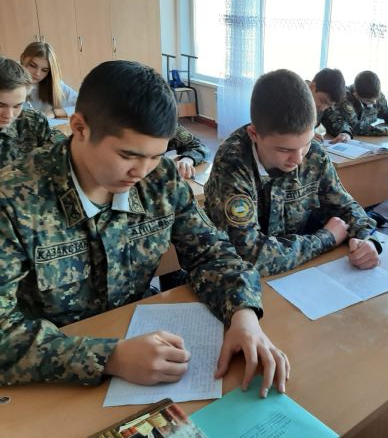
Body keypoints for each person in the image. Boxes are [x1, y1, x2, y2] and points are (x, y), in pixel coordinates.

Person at [0, 60, 289, 398]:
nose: (142, 171)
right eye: (128, 155)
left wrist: (243, 314)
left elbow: (212, 252)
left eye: (155, 156)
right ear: (79, 128)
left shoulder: (161, 180)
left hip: (146, 351)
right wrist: (110, 357)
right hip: (50, 378)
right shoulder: (13, 199)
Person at [204, 69, 382, 277]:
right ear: (254, 134)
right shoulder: (232, 162)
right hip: (236, 279)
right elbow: (249, 255)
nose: (298, 159)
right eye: (284, 149)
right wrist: (325, 238)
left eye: (306, 143)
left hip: (295, 274)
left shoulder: (313, 154)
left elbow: (345, 207)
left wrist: (369, 240)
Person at [0, 57, 65, 165]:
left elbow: (62, 142)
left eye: (17, 106)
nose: (9, 115)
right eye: (1, 105)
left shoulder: (33, 120)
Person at [321, 70, 388, 143]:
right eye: (369, 101)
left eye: (376, 99)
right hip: (345, 139)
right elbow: (357, 128)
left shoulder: (375, 95)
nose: (374, 102)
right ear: (356, 95)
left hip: (368, 141)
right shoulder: (344, 99)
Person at [20, 41, 78, 119]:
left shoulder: (54, 84)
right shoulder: (9, 80)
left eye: (44, 70)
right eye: (33, 66)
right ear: (22, 58)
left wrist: (54, 112)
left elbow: (85, 106)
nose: (37, 73)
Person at [305, 68, 346, 141]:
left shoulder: (324, 104)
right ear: (312, 87)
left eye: (329, 105)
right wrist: (303, 136)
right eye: (322, 101)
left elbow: (337, 122)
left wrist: (345, 133)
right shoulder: (290, 97)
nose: (323, 108)